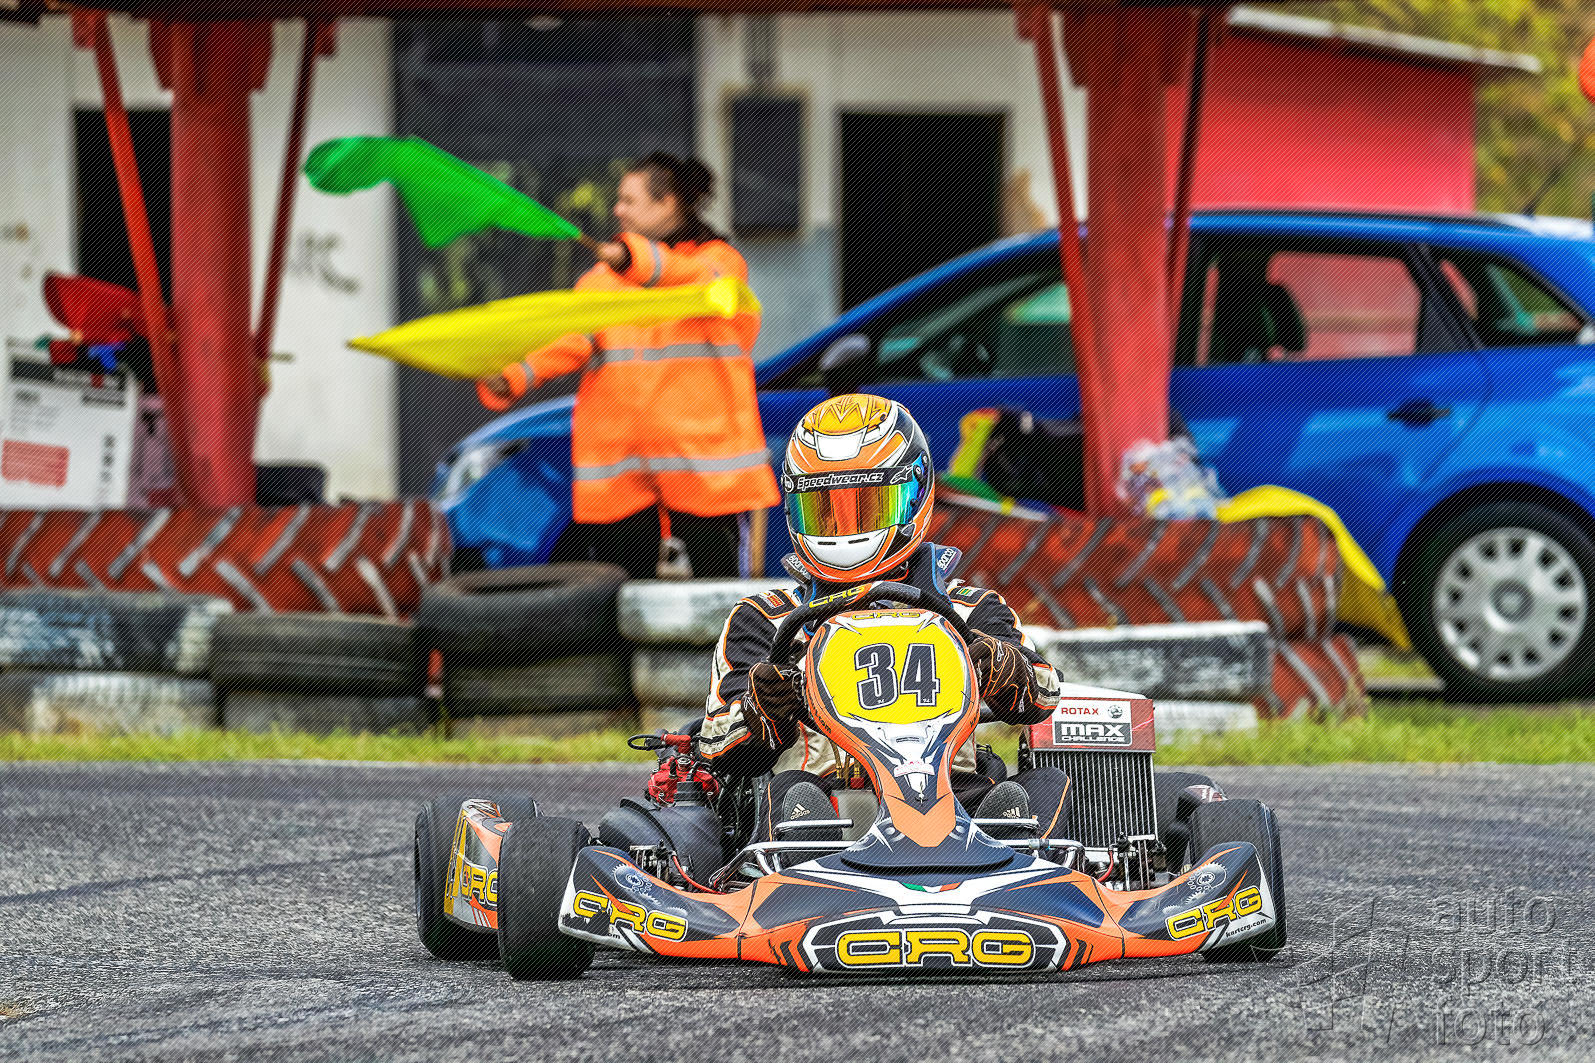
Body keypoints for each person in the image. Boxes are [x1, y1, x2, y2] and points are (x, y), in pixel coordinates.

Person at [698, 394, 1070, 841]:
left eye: (867, 507)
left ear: (914, 496)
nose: (846, 530)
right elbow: (715, 744)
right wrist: (762, 711)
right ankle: (802, 875)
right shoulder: (765, 619)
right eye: (826, 513)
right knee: (792, 796)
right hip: (824, 811)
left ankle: (1015, 868)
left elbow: (1046, 693)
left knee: (1042, 788)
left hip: (953, 801)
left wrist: (1008, 671)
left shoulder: (970, 609)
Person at [478, 153, 778, 578]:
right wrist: (512, 377)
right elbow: (570, 341)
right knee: (621, 595)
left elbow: (696, 279)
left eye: (629, 200)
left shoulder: (720, 264)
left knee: (721, 593)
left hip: (704, 469)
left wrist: (631, 259)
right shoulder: (601, 280)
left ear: (668, 203)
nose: (617, 210)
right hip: (624, 472)